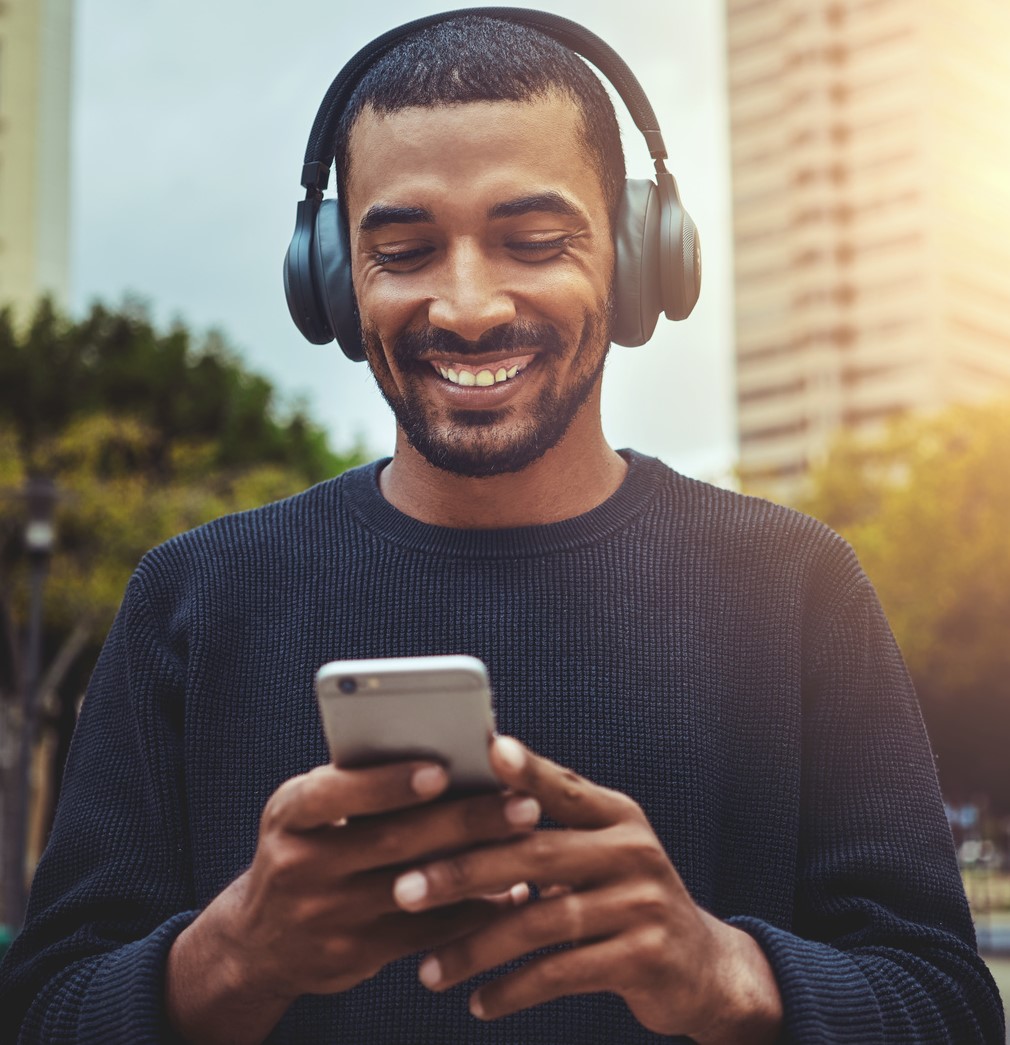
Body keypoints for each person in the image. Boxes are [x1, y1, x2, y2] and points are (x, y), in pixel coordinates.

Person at [0, 11, 1004, 1044]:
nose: (467, 305)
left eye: (531, 240)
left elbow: (947, 1010)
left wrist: (725, 972)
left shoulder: (795, 585)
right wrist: (229, 956)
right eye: (403, 249)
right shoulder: (190, 598)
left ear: (634, 256)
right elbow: (41, 1013)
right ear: (335, 283)